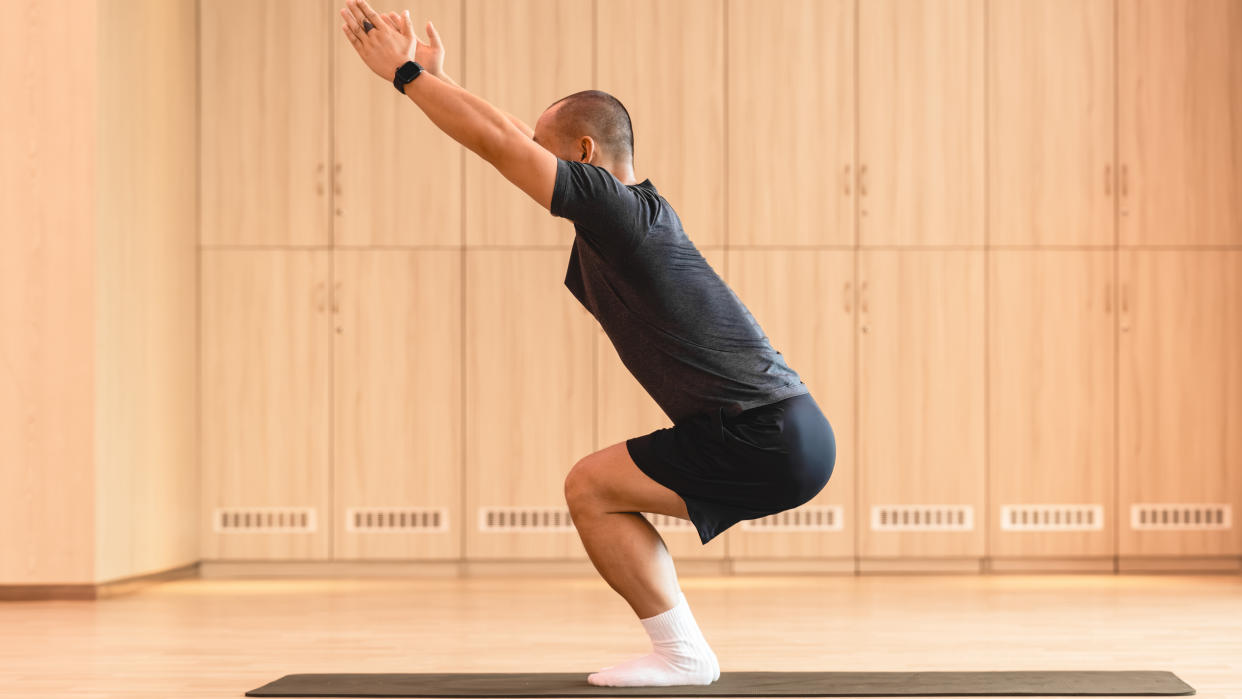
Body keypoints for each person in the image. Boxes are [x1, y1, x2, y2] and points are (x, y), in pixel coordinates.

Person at [339, 0, 836, 687]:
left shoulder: (616, 208)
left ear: (584, 155)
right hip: (783, 429)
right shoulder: (630, 216)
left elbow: (498, 143)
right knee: (597, 485)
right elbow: (509, 133)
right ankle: (682, 650)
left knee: (591, 487)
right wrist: (436, 80)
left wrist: (405, 76)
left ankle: (684, 654)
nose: (535, 167)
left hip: (764, 434)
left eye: (550, 156)